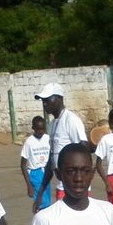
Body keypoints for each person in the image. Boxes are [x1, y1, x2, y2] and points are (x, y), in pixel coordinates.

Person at [33, 83, 89, 211]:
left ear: (59, 98)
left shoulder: (71, 120)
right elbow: (51, 162)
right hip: (61, 187)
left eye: (48, 100)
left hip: (75, 190)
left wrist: (82, 185)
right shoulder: (52, 125)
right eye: (43, 100)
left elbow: (83, 150)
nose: (45, 103)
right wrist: (40, 194)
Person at [20, 116, 51, 210]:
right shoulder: (29, 142)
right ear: (33, 128)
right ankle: (39, 216)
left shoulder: (48, 138)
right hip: (35, 173)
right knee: (41, 201)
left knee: (47, 200)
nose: (41, 131)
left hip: (46, 171)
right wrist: (29, 185)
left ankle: (40, 215)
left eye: (43, 129)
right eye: (38, 129)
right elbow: (23, 164)